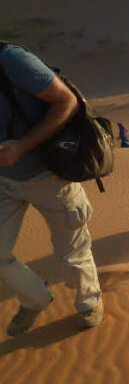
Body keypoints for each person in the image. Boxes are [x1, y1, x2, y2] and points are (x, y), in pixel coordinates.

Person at [0, 43, 103, 336]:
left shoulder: (12, 60)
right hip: (4, 181)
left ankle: (89, 301)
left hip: (49, 175)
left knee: (71, 249)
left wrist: (21, 146)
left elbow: (66, 102)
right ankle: (35, 299)